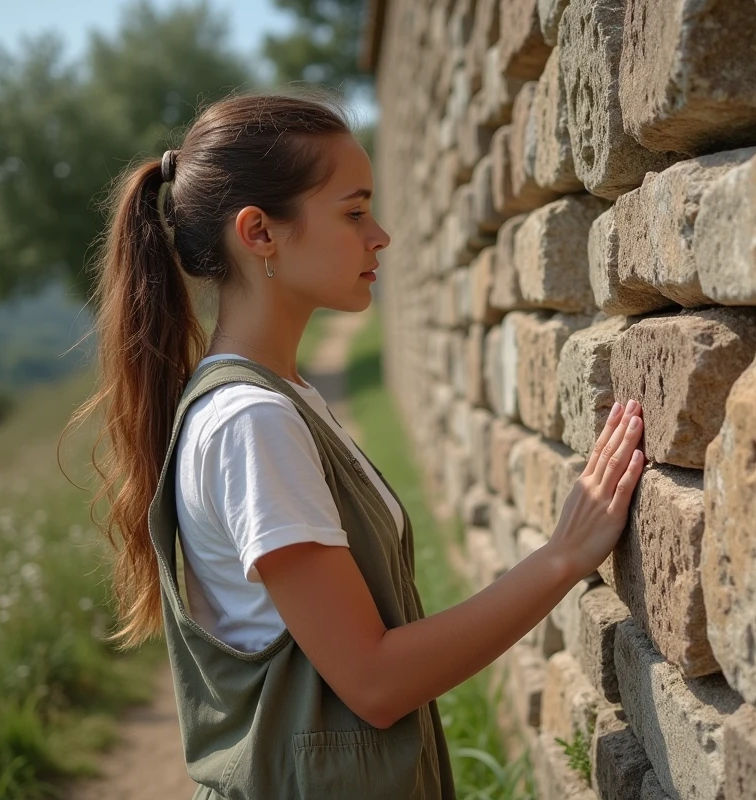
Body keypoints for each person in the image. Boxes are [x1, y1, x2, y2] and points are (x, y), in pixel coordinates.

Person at [66, 87, 645, 800]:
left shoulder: (280, 399)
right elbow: (374, 681)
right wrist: (563, 557)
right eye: (353, 211)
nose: (381, 235)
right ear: (260, 234)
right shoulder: (252, 421)